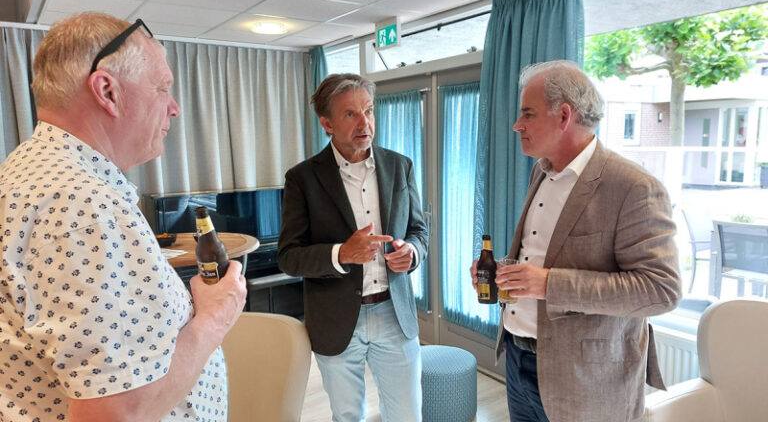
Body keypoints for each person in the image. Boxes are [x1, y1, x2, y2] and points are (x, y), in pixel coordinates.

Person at [0, 13, 247, 421]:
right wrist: (215, 317)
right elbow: (116, 413)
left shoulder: (28, 174)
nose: (174, 108)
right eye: (162, 88)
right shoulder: (81, 205)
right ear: (107, 91)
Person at [471, 60, 681, 422]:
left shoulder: (633, 187)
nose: (517, 125)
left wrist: (549, 284)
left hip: (586, 380)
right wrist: (501, 270)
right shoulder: (541, 171)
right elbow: (545, 255)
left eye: (527, 114)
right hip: (518, 361)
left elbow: (661, 290)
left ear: (564, 116)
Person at [278, 73, 429, 421]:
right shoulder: (302, 178)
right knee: (347, 416)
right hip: (335, 319)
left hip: (394, 314)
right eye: (351, 114)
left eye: (369, 111)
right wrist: (341, 254)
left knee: (407, 415)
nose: (365, 123)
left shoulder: (400, 166)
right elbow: (288, 257)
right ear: (327, 124)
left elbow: (419, 231)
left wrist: (412, 253)